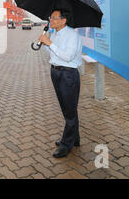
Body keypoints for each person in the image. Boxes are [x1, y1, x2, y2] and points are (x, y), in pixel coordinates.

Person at [39, 9, 82, 158]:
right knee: (67, 108)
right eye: (51, 18)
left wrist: (50, 43)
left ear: (63, 21)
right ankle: (74, 139)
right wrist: (44, 43)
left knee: (69, 111)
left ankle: (66, 145)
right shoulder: (55, 34)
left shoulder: (72, 35)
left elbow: (68, 56)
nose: (51, 20)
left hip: (68, 74)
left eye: (54, 18)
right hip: (56, 72)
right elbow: (53, 54)